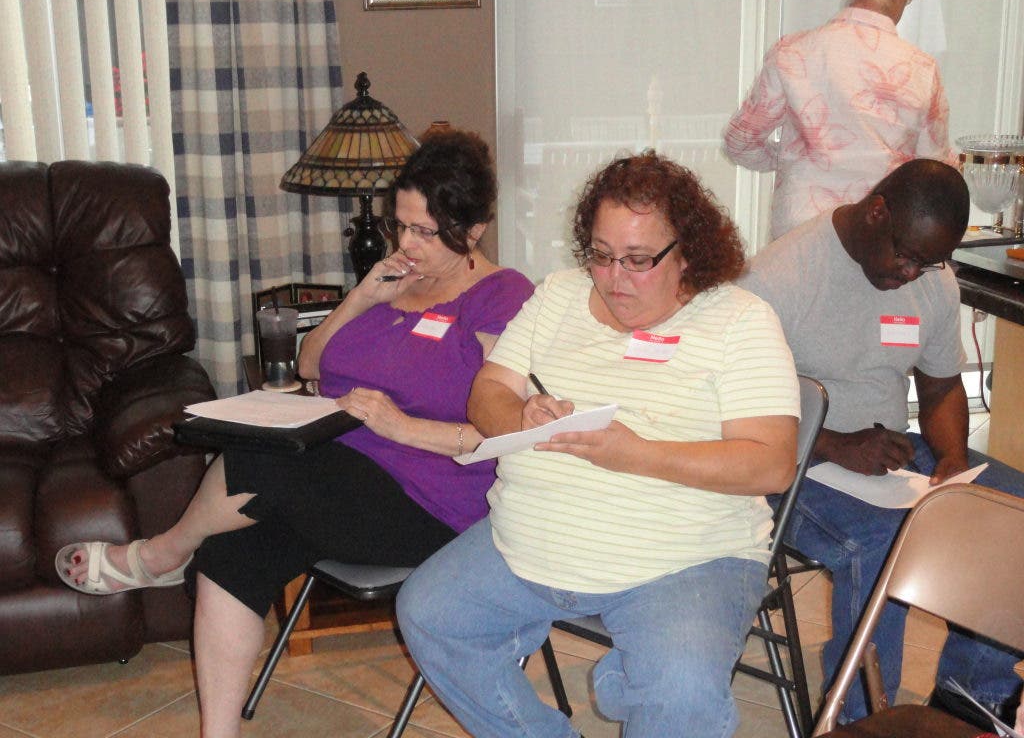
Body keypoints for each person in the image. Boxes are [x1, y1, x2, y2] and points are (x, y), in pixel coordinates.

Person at [55, 129, 536, 738]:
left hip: (431, 502)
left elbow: (506, 431)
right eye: (401, 225)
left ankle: (161, 554)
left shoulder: (502, 298)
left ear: (474, 230)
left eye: (425, 231)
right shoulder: (395, 281)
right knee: (231, 552)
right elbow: (311, 364)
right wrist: (362, 297)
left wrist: (403, 427)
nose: (407, 244)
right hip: (335, 477)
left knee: (267, 462)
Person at [396, 152, 801, 738]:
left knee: (681, 694)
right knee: (429, 614)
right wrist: (518, 415)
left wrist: (638, 454)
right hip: (529, 540)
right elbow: (488, 391)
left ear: (688, 251)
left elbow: (772, 464)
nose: (613, 278)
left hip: (683, 559)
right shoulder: (559, 295)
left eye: (638, 260)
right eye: (602, 254)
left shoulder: (740, 320)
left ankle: (639, 679)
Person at [737, 158, 1024, 726]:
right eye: (907, 256)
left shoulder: (933, 280)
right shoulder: (778, 279)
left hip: (889, 454)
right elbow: (737, 410)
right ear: (876, 212)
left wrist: (952, 458)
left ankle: (970, 698)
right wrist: (834, 444)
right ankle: (860, 720)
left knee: (1012, 508)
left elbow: (941, 387)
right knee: (883, 544)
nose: (913, 273)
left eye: (928, 262)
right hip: (792, 464)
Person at [723, 0, 954, 240]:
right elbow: (933, 171)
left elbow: (740, 142)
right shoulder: (920, 69)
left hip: (799, 235)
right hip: (877, 238)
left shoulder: (794, 53)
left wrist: (796, 159)